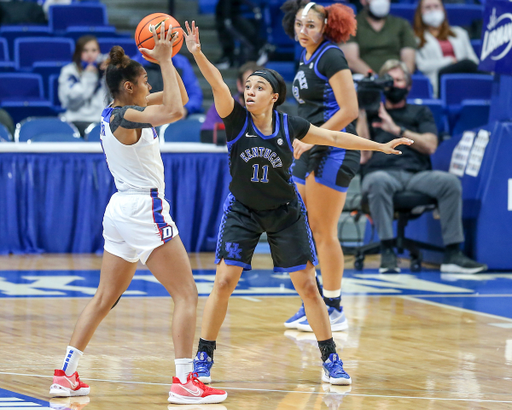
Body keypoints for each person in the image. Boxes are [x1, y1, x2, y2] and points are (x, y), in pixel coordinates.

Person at [183, 21, 412, 386]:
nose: (251, 91)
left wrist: (380, 146)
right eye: (249, 87)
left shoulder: (291, 125)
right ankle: (204, 355)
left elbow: (337, 135)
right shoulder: (236, 119)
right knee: (224, 281)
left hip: (285, 212)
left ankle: (331, 357)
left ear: (275, 96)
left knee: (307, 286)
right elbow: (217, 84)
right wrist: (197, 53)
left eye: (260, 87)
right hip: (242, 209)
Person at [48, 27, 227, 405]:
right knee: (187, 295)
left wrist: (172, 56)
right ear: (129, 88)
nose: (149, 84)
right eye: (144, 80)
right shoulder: (128, 117)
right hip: (144, 208)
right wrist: (164, 59)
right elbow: (178, 110)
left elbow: (177, 97)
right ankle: (183, 382)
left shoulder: (117, 110)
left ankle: (65, 373)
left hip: (121, 211)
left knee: (104, 297)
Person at [357, 59, 488, 274]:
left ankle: (453, 254)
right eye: (389, 80)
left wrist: (396, 129)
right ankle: (388, 251)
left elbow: (431, 145)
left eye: (399, 80)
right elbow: (364, 155)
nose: (394, 84)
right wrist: (361, 112)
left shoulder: (420, 113)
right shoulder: (370, 115)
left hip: (416, 175)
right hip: (381, 173)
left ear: (408, 86)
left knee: (449, 183)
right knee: (377, 181)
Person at [280, 0, 359, 333]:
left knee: (325, 231)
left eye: (310, 25)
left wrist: (314, 139)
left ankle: (335, 306)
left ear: (326, 26)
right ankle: (312, 301)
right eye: (299, 24)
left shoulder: (331, 55)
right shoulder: (306, 54)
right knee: (302, 226)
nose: (303, 30)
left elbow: (350, 109)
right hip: (311, 147)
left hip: (335, 148)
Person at [413, 0, 479, 97]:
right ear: (420, 12)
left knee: (471, 65)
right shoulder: (416, 38)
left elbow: (473, 60)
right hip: (439, 79)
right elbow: (422, 66)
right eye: (427, 7)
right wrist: (449, 61)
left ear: (443, 9)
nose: (433, 11)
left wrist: (459, 64)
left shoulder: (460, 33)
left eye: (436, 6)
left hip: (466, 75)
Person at [341, 0, 416, 75]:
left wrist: (401, 77)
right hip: (364, 78)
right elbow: (351, 60)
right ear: (363, 1)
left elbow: (408, 59)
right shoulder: (350, 25)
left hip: (395, 79)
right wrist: (375, 78)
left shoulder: (402, 24)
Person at [200, 61, 263, 144]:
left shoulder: (275, 109)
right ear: (239, 85)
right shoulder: (223, 104)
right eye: (248, 86)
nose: (253, 92)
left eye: (259, 87)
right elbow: (206, 134)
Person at [58, 35, 109, 137]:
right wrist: (89, 76)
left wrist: (113, 72)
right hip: (75, 120)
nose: (90, 54)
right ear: (78, 53)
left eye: (94, 50)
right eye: (85, 51)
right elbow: (73, 99)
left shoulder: (104, 71)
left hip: (99, 122)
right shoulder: (69, 71)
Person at [132, 52, 204, 117]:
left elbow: (193, 94)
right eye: (145, 82)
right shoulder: (133, 65)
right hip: (146, 115)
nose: (149, 87)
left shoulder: (181, 62)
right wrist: (165, 60)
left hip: (173, 116)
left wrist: (185, 109)